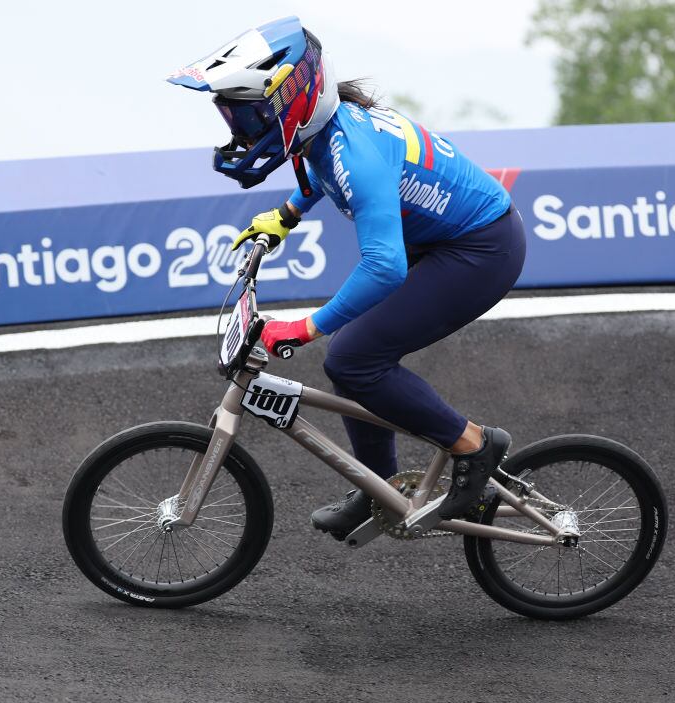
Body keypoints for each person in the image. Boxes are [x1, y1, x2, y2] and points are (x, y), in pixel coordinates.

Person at [168, 16, 525, 540]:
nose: (240, 131)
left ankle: (473, 445)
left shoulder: (355, 154)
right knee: (352, 360)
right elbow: (321, 170)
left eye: (247, 116)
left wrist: (305, 328)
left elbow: (384, 266)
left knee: (353, 358)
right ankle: (380, 486)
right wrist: (287, 214)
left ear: (291, 101)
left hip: (481, 251)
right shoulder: (326, 130)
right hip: (449, 242)